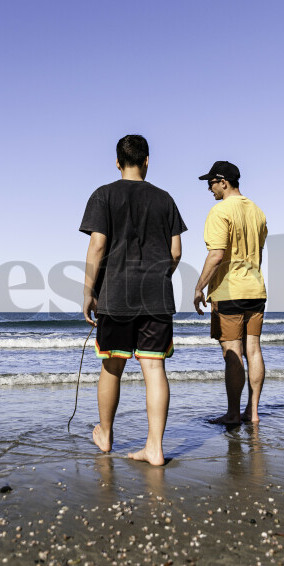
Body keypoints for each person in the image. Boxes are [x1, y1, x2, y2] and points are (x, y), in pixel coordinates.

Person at [79, 134, 187, 466]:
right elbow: (176, 252)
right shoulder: (165, 199)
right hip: (157, 296)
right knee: (154, 367)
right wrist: (157, 277)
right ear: (147, 161)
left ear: (116, 162)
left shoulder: (103, 195)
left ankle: (106, 433)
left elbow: (98, 245)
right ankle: (154, 448)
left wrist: (87, 291)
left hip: (115, 294)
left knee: (112, 366)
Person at [192, 161, 268, 424]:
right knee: (254, 350)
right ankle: (253, 412)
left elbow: (216, 254)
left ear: (223, 181)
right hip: (256, 289)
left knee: (233, 351)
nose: (209, 188)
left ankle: (234, 414)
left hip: (229, 291)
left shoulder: (220, 210)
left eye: (211, 183)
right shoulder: (258, 211)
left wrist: (199, 287)